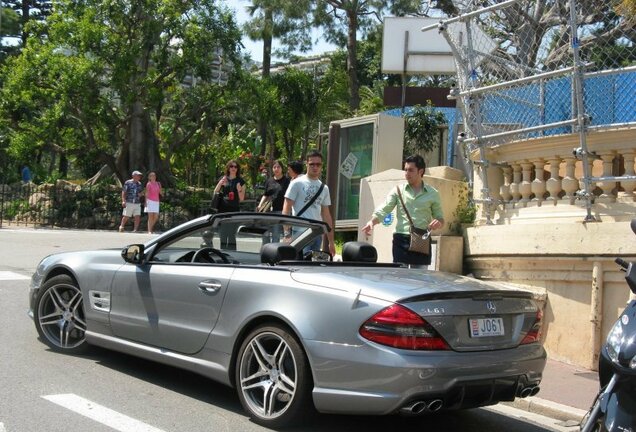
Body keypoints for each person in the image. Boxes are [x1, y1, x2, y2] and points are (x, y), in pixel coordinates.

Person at [361, 154, 444, 267]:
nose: (406, 173)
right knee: (399, 278)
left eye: (410, 170)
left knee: (420, 280)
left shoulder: (433, 193)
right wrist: (372, 222)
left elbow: (440, 218)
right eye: (405, 170)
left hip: (421, 239)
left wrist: (438, 223)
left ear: (420, 171)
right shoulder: (398, 190)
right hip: (401, 240)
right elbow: (384, 209)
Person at [282, 150, 336, 257]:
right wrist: (287, 233)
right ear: (307, 164)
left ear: (321, 166)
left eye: (318, 164)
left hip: (316, 233)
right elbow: (286, 208)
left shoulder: (324, 188)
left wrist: (331, 242)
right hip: (300, 232)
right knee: (300, 266)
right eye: (312, 164)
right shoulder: (296, 183)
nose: (315, 167)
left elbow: (326, 215)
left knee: (313, 268)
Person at [213, 160, 246, 250]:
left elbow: (242, 199)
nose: (233, 168)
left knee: (231, 235)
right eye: (231, 166)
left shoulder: (240, 181)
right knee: (223, 234)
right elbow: (215, 192)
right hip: (222, 210)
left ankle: (232, 255)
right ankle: (223, 254)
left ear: (237, 169)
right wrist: (220, 184)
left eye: (235, 167)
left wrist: (239, 190)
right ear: (228, 167)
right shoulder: (223, 178)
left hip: (234, 210)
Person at [258, 160, 290, 243]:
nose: (276, 169)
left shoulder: (287, 181)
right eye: (274, 167)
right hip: (267, 211)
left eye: (278, 167)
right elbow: (265, 194)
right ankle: (265, 251)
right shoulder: (269, 181)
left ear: (282, 168)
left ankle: (273, 254)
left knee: (276, 234)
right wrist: (260, 205)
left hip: (280, 211)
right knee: (265, 234)